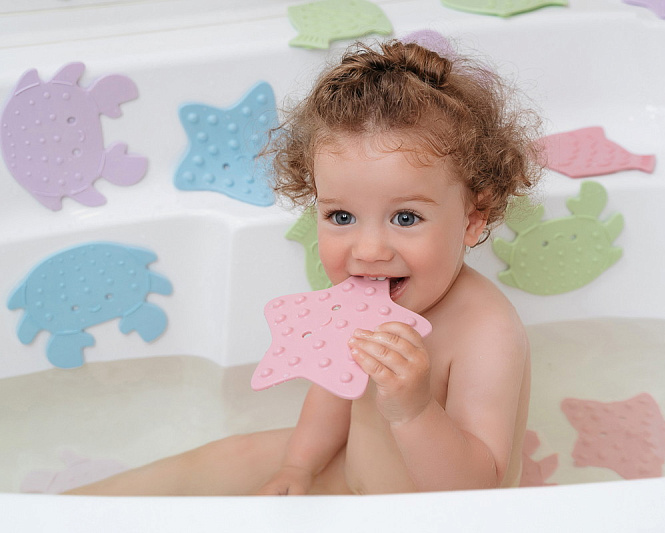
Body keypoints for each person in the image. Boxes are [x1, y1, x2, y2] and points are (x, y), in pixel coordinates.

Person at [67, 39, 542, 496]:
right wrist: (298, 466)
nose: (368, 250)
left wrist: (414, 411)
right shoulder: (368, 298)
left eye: (405, 218)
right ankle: (54, 513)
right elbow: (335, 390)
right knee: (231, 456)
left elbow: (480, 491)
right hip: (354, 478)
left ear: (472, 220)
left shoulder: (486, 333)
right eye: (342, 216)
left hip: (432, 514)